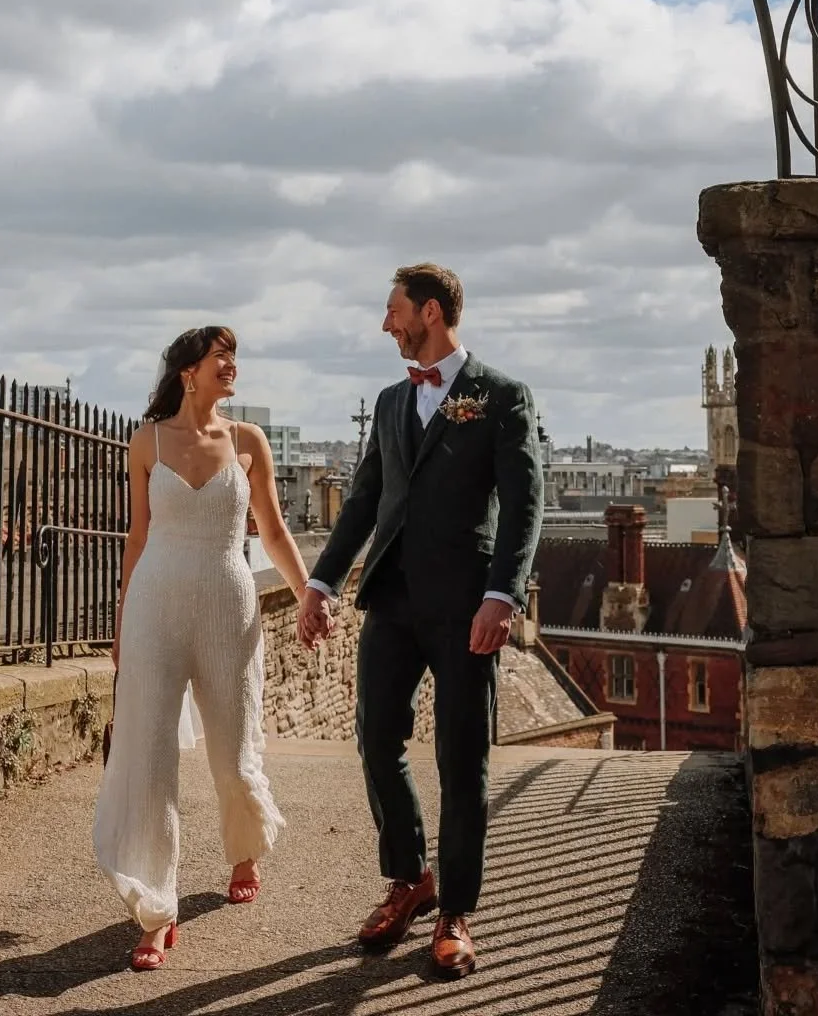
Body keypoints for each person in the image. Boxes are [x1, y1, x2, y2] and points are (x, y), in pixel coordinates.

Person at [297, 264, 544, 980]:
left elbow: (526, 504)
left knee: (462, 759)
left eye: (393, 310)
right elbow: (367, 498)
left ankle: (456, 912)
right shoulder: (387, 402)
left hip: (468, 604)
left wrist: (504, 595)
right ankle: (409, 879)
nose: (385, 324)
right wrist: (322, 583)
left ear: (429, 313)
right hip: (392, 601)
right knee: (376, 737)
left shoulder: (501, 397)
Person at [93, 325, 313, 970]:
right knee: (150, 756)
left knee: (233, 748)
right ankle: (156, 910)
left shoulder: (248, 441)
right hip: (155, 607)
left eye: (235, 357)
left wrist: (307, 595)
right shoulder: (146, 440)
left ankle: (243, 851)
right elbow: (137, 537)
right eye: (222, 356)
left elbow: (271, 530)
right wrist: (122, 616)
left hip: (228, 603)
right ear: (189, 369)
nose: (233, 366)